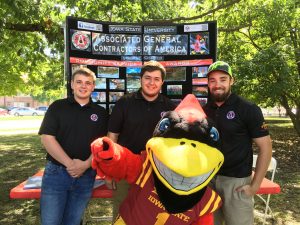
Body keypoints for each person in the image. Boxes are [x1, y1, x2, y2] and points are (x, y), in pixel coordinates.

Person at [203, 61, 273, 225]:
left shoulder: (248, 108)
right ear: (208, 83)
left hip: (237, 183)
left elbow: (266, 147)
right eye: (212, 80)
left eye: (222, 79)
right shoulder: (204, 111)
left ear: (231, 81)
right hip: (209, 181)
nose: (217, 84)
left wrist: (255, 186)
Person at [107, 60, 175, 221]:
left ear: (162, 82)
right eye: (147, 78)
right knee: (122, 213)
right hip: (126, 169)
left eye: (156, 79)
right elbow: (112, 138)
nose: (151, 83)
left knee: (152, 215)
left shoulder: (171, 107)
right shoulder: (124, 103)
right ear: (141, 79)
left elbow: (174, 143)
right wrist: (110, 172)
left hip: (157, 173)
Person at [39, 67, 108, 225]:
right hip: (57, 173)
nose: (83, 86)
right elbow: (47, 138)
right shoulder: (57, 107)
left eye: (87, 83)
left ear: (93, 86)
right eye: (79, 82)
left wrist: (84, 165)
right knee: (50, 221)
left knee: (73, 221)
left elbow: (102, 143)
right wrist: (70, 164)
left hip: (86, 175)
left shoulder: (101, 113)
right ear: (71, 84)